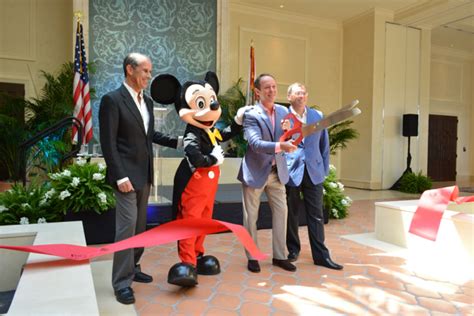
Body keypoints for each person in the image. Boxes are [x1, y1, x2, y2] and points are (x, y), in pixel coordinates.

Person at [99, 53, 181, 304]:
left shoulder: (144, 100)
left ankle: (133, 267)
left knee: (139, 227)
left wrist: (177, 142)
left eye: (150, 71)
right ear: (129, 70)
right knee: (126, 229)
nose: (149, 76)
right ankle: (121, 283)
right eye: (145, 71)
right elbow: (108, 143)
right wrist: (119, 175)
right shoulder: (112, 100)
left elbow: (149, 134)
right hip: (125, 177)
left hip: (145, 174)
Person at [237, 73, 298, 273]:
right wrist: (281, 145)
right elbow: (255, 144)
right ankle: (252, 256)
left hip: (277, 172)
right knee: (251, 217)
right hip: (255, 172)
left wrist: (293, 137)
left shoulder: (283, 111)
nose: (271, 90)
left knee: (282, 214)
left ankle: (280, 256)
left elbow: (292, 133)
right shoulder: (251, 114)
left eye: (274, 86)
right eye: (266, 88)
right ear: (257, 92)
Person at [284, 82, 343, 270]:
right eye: (297, 93)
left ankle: (321, 256)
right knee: (291, 213)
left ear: (307, 96)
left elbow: (324, 146)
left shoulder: (317, 117)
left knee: (316, 215)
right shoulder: (283, 117)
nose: (301, 96)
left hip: (314, 171)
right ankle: (293, 249)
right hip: (292, 171)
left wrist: (324, 170)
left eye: (303, 93)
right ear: (289, 97)